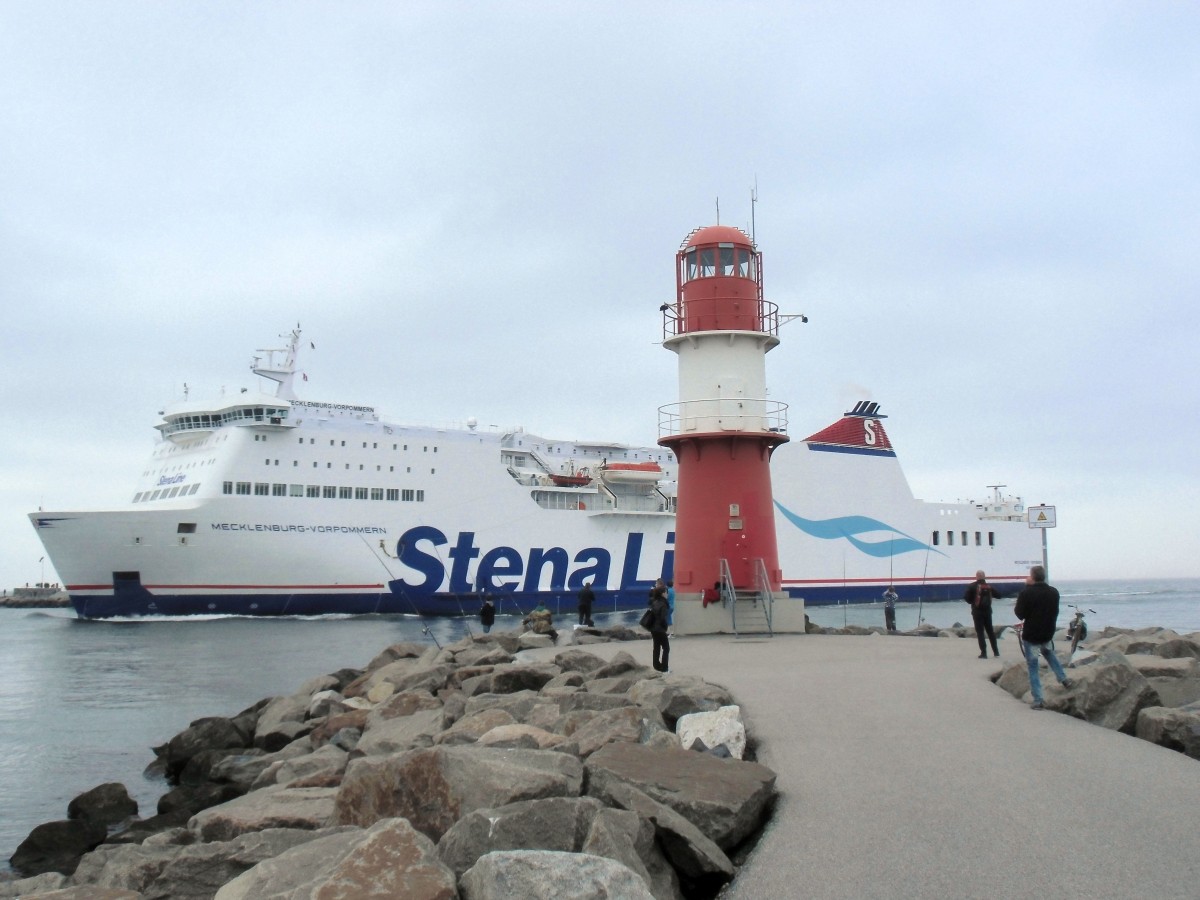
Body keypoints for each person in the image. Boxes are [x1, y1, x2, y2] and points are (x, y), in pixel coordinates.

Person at [1014, 564, 1074, 709]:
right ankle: (1063, 678)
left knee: (1033, 666)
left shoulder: (1026, 593)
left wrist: (1026, 588)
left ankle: (1038, 699)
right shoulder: (1054, 592)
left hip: (1032, 634)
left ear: (1032, 577)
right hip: (1047, 632)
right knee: (1048, 653)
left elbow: (1019, 613)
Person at [963, 570, 1002, 658]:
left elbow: (967, 599)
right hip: (988, 612)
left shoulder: (972, 586)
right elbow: (999, 595)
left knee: (980, 632)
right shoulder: (989, 587)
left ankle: (984, 653)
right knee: (990, 632)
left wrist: (973, 601)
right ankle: (996, 652)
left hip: (977, 612)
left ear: (976, 576)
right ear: (984, 576)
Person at [648, 587, 670, 672]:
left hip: (653, 628)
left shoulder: (655, 602)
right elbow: (662, 618)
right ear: (663, 593)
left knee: (656, 647)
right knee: (666, 648)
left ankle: (656, 665)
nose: (667, 594)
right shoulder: (663, 604)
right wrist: (665, 627)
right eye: (666, 592)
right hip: (660, 629)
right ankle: (664, 667)